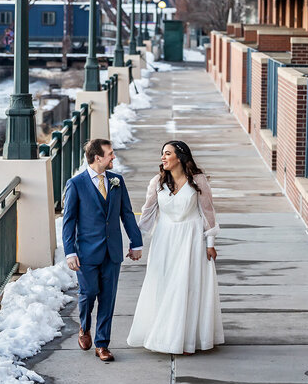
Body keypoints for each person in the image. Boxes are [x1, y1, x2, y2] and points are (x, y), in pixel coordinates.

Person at [126, 140, 224, 354]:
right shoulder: (157, 182)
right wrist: (136, 242)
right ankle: (164, 335)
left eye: (167, 153)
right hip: (165, 238)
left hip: (191, 237)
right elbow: (148, 214)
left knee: (187, 287)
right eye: (162, 153)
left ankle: (187, 339)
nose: (163, 157)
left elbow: (208, 212)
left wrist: (210, 243)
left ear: (179, 157)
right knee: (165, 285)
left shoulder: (197, 181)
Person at [62, 138, 143, 362]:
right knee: (88, 294)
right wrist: (70, 252)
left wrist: (135, 243)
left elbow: (126, 213)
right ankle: (84, 327)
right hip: (86, 252)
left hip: (112, 251)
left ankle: (102, 344)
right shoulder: (76, 184)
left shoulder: (117, 181)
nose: (113, 157)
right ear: (98, 158)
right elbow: (68, 222)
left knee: (108, 298)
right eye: (110, 154)